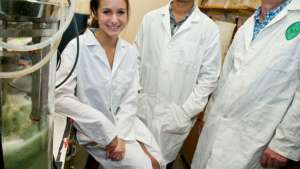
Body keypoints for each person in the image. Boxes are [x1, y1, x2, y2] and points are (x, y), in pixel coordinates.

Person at [191, 0, 300, 169]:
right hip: (216, 125)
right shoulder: (249, 24)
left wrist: (285, 144)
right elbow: (226, 77)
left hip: (256, 141)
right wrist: (208, 115)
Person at [55, 0, 164, 168]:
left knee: (158, 161)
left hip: (125, 124)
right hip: (93, 130)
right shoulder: (77, 47)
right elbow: (60, 97)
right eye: (107, 12)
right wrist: (108, 133)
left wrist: (119, 136)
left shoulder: (129, 52)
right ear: (95, 13)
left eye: (120, 12)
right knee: (146, 166)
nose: (114, 20)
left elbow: (130, 99)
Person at [135, 0, 222, 168]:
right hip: (141, 112)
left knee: (161, 164)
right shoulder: (150, 19)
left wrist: (184, 113)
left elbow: (209, 78)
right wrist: (136, 95)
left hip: (174, 120)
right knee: (131, 161)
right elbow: (135, 61)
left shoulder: (209, 29)